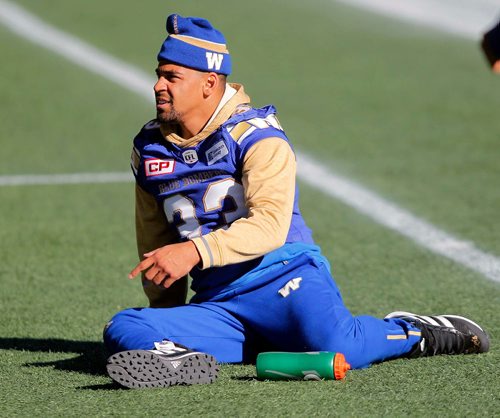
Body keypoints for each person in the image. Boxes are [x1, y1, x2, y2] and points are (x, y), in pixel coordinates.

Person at [103, 14, 490, 389]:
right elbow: (155, 240)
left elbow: (271, 225)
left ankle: (413, 331)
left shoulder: (257, 136)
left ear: (208, 83)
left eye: (172, 77)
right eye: (159, 74)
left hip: (286, 278)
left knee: (338, 346)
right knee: (125, 326)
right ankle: (177, 358)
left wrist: (194, 253)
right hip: (220, 303)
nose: (158, 85)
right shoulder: (150, 148)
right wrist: (167, 316)